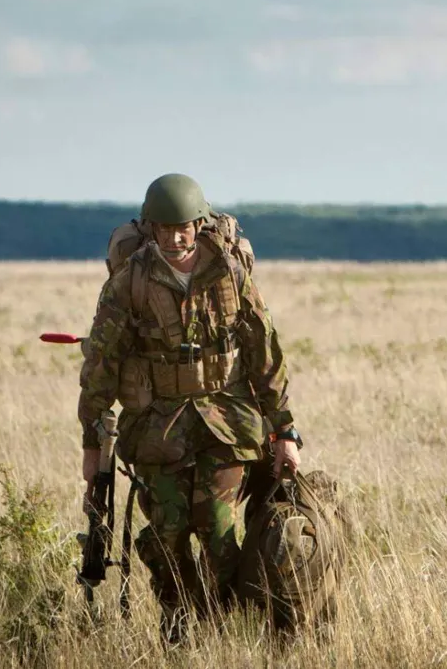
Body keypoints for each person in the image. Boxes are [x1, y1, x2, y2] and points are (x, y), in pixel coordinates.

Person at [77, 173, 302, 641]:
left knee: (217, 528)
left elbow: (265, 354)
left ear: (199, 225)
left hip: (227, 421)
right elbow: (101, 365)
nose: (174, 239)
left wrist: (285, 431)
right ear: (151, 228)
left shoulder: (230, 274)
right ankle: (179, 625)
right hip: (157, 427)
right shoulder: (130, 281)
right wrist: (92, 444)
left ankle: (228, 625)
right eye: (164, 228)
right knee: (167, 535)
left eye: (182, 228)